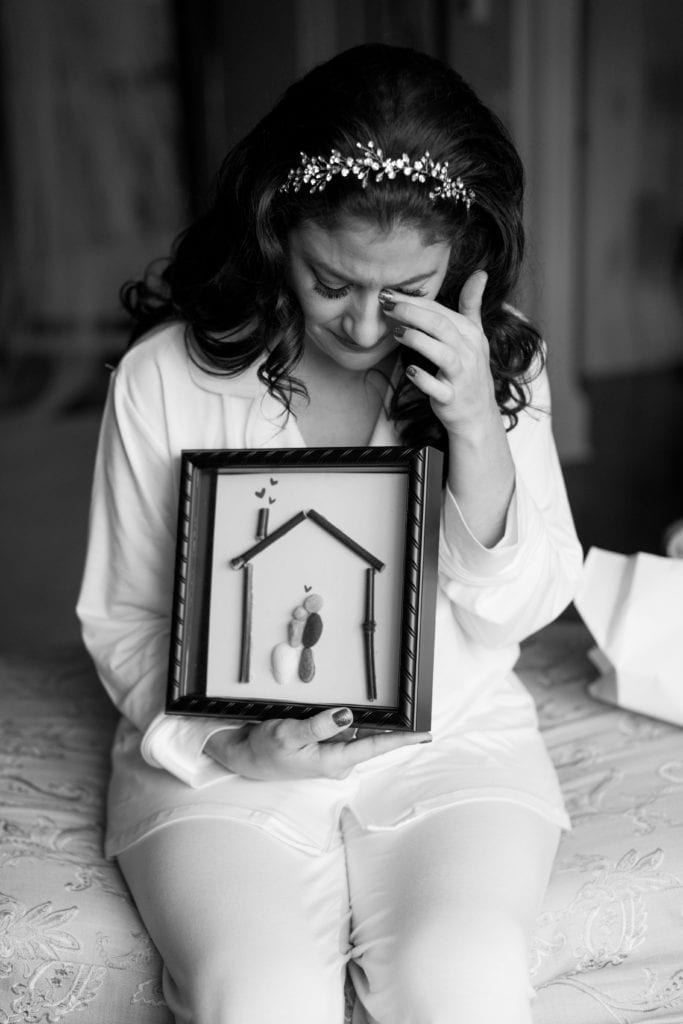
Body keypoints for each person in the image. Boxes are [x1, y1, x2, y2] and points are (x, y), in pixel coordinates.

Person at [77, 43, 583, 1024]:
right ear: (276, 230)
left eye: (405, 290)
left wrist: (479, 422)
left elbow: (524, 604)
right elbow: (125, 616)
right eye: (330, 281)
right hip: (225, 752)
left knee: (465, 983)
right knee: (253, 995)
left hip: (450, 744)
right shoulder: (163, 377)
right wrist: (229, 741)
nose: (361, 325)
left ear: (463, 263)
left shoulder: (498, 360)